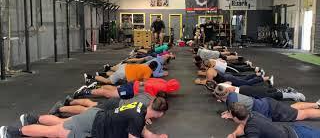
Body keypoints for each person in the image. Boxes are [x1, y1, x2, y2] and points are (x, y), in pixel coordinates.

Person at [0, 97, 169, 138]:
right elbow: (136, 133)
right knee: (55, 132)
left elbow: (143, 131)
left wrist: (156, 136)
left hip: (95, 116)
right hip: (92, 125)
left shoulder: (140, 107)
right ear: (160, 114)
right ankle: (12, 132)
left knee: (61, 122)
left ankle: (31, 118)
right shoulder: (139, 119)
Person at [215, 90, 320, 123]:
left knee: (302, 115)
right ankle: (317, 104)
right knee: (293, 108)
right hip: (267, 103)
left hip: (270, 109)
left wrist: (231, 115)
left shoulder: (231, 103)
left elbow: (239, 116)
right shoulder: (232, 94)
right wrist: (229, 112)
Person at [227, 103, 320, 138]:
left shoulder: (251, 130)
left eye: (230, 115)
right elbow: (243, 127)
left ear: (235, 118)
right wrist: (234, 134)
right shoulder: (253, 114)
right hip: (295, 129)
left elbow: (247, 128)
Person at [73, 78, 180, 100]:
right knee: (108, 94)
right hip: (133, 90)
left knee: (114, 88)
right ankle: (85, 91)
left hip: (134, 84)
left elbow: (147, 80)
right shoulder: (162, 88)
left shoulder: (163, 82)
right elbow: (148, 94)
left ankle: (95, 87)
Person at [206, 80, 305, 101]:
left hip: (245, 92)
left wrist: (221, 98)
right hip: (243, 89)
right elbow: (230, 84)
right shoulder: (221, 85)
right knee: (267, 91)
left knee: (271, 95)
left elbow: (230, 88)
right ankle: (288, 91)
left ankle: (296, 95)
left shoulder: (220, 90)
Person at [85, 62, 158, 85]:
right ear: (154, 68)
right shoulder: (149, 71)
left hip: (125, 66)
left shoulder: (144, 65)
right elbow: (145, 83)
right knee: (108, 81)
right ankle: (90, 77)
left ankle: (102, 72)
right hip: (123, 73)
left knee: (115, 72)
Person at [194, 68, 273, 87]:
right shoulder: (211, 69)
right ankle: (259, 74)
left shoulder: (209, 73)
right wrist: (201, 81)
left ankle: (267, 78)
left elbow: (210, 82)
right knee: (244, 79)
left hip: (227, 79)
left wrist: (200, 82)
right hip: (227, 76)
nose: (200, 73)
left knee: (246, 83)